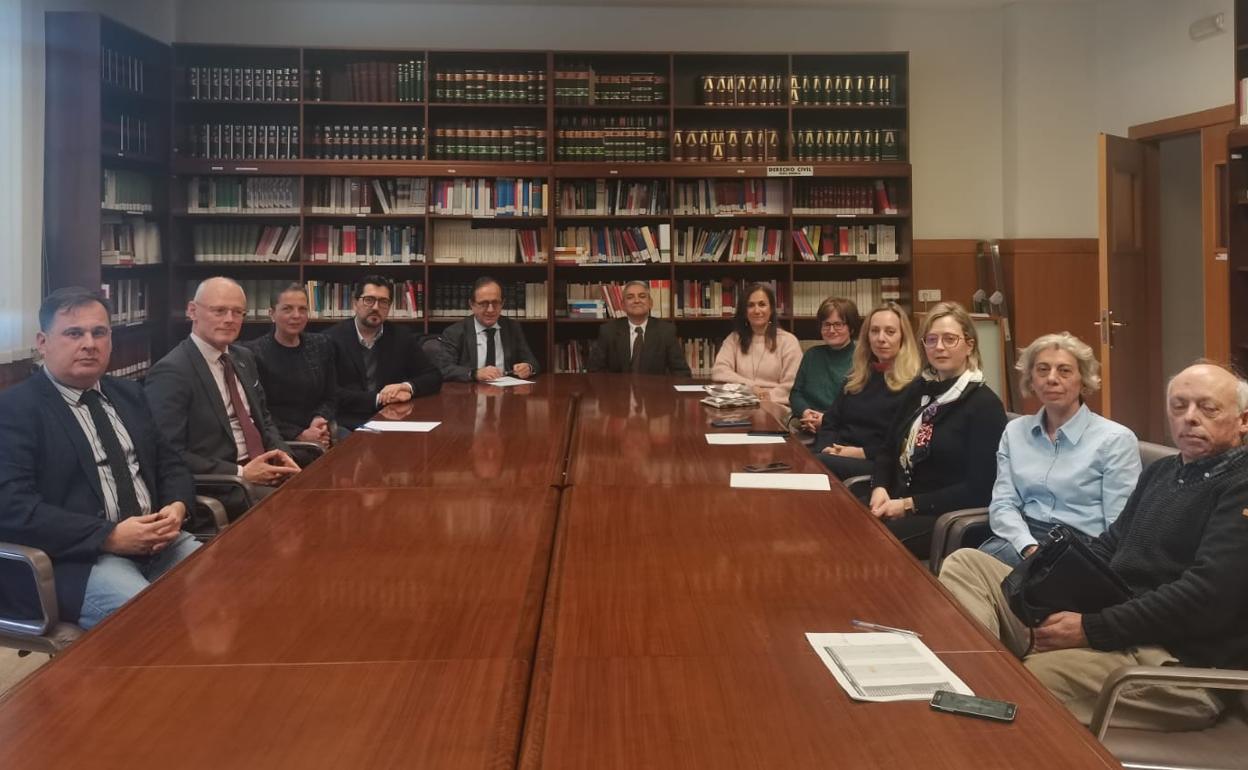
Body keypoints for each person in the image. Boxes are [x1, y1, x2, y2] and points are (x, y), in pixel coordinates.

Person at [940, 362, 1248, 731]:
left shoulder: (1239, 485)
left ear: (1243, 420)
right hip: (1114, 625)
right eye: (1179, 407)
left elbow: (1205, 598)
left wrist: (1090, 628)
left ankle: (978, 695)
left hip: (1176, 663)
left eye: (1208, 408)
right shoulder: (1163, 471)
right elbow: (1107, 548)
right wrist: (1041, 595)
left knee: (1027, 678)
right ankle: (978, 678)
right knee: (968, 564)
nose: (1190, 418)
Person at [0, 288, 198, 629]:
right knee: (155, 624)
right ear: (43, 342)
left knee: (230, 589)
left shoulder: (130, 393)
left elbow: (171, 463)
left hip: (159, 544)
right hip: (78, 558)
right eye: (74, 333)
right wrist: (108, 536)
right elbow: (12, 507)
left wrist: (177, 506)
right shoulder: (16, 410)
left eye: (99, 332)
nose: (89, 343)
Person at [979, 333, 1141, 566]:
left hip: (1082, 549)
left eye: (1064, 371)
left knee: (988, 589)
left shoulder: (1115, 440)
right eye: (1042, 370)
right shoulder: (1014, 432)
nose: (1052, 379)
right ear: (1031, 380)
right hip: (1022, 543)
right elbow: (1003, 503)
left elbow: (1119, 525)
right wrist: (1028, 546)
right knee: (961, 565)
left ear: (1083, 380)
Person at [145, 277, 300, 520]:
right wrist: (242, 472)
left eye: (237, 312)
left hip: (264, 471)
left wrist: (283, 455)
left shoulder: (243, 357)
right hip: (225, 486)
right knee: (301, 508)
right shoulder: (172, 372)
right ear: (192, 311)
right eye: (219, 310)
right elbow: (169, 453)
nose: (229, 319)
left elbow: (264, 420)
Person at [868, 302, 1007, 558]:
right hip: (895, 500)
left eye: (949, 339)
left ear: (969, 344)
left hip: (942, 516)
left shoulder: (984, 405)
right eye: (931, 340)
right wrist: (880, 487)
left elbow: (980, 488)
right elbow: (887, 449)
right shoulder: (920, 389)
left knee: (867, 544)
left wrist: (909, 505)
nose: (939, 347)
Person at [812, 301, 920, 479]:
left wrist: (858, 453)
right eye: (875, 331)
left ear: (903, 338)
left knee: (815, 465)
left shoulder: (914, 385)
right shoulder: (857, 377)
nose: (881, 338)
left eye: (890, 332)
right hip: (836, 456)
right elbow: (831, 422)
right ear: (867, 336)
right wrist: (826, 447)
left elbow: (903, 444)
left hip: (877, 465)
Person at [324, 275, 442, 429]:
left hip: (394, 420)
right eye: (369, 300)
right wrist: (379, 398)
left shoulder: (401, 337)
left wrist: (407, 387)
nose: (375, 307)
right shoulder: (331, 339)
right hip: (347, 423)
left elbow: (433, 376)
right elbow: (329, 392)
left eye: (383, 302)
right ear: (355, 303)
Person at [243, 283, 338, 448]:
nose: (296, 315)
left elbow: (331, 396)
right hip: (280, 438)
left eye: (302, 309)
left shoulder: (321, 344)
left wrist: (319, 420)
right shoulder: (253, 353)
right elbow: (258, 410)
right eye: (287, 309)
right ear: (272, 314)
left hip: (320, 431)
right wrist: (300, 435)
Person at [435, 276, 540, 383]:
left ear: (502, 303)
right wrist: (475, 373)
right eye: (483, 304)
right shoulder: (455, 332)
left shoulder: (512, 327)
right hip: (470, 394)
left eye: (495, 303)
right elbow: (444, 369)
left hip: (507, 392)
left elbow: (532, 362)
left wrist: (528, 368)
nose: (490, 310)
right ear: (472, 304)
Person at [710, 282, 802, 405]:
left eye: (762, 304)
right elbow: (719, 371)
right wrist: (751, 387)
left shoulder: (788, 341)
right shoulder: (734, 339)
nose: (757, 310)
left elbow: (792, 385)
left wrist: (764, 397)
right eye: (751, 305)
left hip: (776, 405)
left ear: (772, 309)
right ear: (745, 311)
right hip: (741, 403)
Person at [587, 280, 691, 377]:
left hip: (655, 393)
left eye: (642, 296)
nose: (636, 301)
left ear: (650, 303)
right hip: (618, 393)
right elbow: (595, 371)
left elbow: (681, 372)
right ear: (623, 305)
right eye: (630, 297)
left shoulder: (666, 331)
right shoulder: (608, 331)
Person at [791, 297, 860, 433]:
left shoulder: (861, 358)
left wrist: (826, 419)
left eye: (838, 324)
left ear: (851, 328)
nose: (831, 330)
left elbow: (860, 407)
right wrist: (806, 413)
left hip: (844, 430)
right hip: (807, 426)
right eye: (826, 324)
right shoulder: (812, 355)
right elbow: (796, 394)